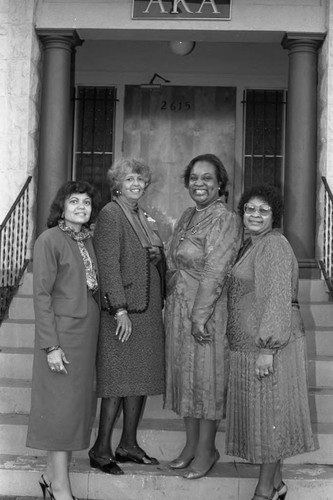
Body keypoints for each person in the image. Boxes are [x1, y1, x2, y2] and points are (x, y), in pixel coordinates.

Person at [225, 184, 315, 500]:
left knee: (269, 421)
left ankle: (263, 491)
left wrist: (267, 348)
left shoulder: (273, 245)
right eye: (250, 208)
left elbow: (278, 299)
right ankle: (277, 486)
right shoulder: (252, 244)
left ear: (274, 216)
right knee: (267, 420)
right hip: (252, 346)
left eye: (263, 210)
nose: (255, 214)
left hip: (270, 348)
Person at [164, 153, 242, 479]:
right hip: (180, 311)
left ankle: (207, 449)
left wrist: (199, 316)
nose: (199, 183)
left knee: (206, 381)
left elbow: (216, 270)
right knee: (185, 378)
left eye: (207, 177)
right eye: (194, 177)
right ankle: (190, 444)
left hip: (207, 313)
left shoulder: (227, 219)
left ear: (220, 183)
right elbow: (172, 260)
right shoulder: (186, 216)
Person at [89, 158, 165, 475]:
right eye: (130, 179)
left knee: (139, 380)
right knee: (117, 381)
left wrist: (159, 255)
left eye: (140, 179)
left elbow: (153, 254)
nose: (136, 184)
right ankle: (101, 449)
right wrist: (118, 307)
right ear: (117, 183)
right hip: (123, 311)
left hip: (145, 312)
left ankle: (128, 444)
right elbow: (107, 264)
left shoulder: (140, 216)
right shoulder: (111, 214)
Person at [26, 181, 100, 500]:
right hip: (62, 338)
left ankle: (47, 475)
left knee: (73, 411)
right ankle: (59, 488)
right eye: (74, 201)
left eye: (86, 202)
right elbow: (41, 295)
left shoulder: (87, 239)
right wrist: (51, 346)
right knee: (60, 412)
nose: (81, 207)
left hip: (84, 338)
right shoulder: (49, 240)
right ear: (62, 206)